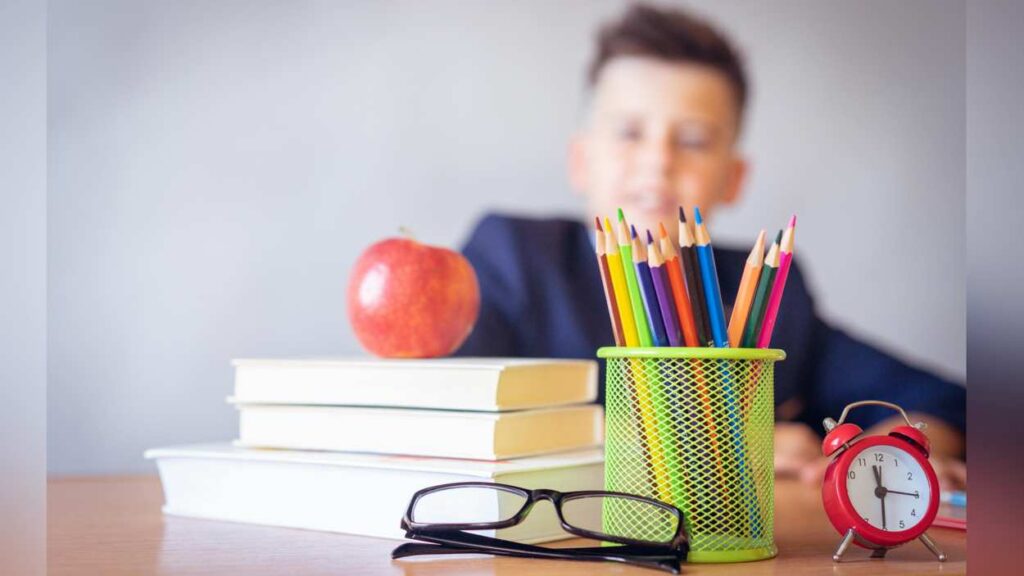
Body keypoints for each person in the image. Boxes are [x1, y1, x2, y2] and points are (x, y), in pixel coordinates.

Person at [454, 4, 965, 489]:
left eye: (694, 140)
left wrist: (896, 449)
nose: (658, 160)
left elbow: (938, 400)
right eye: (630, 132)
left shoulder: (764, 289)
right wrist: (730, 447)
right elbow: (453, 412)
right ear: (581, 161)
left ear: (734, 179)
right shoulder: (514, 256)